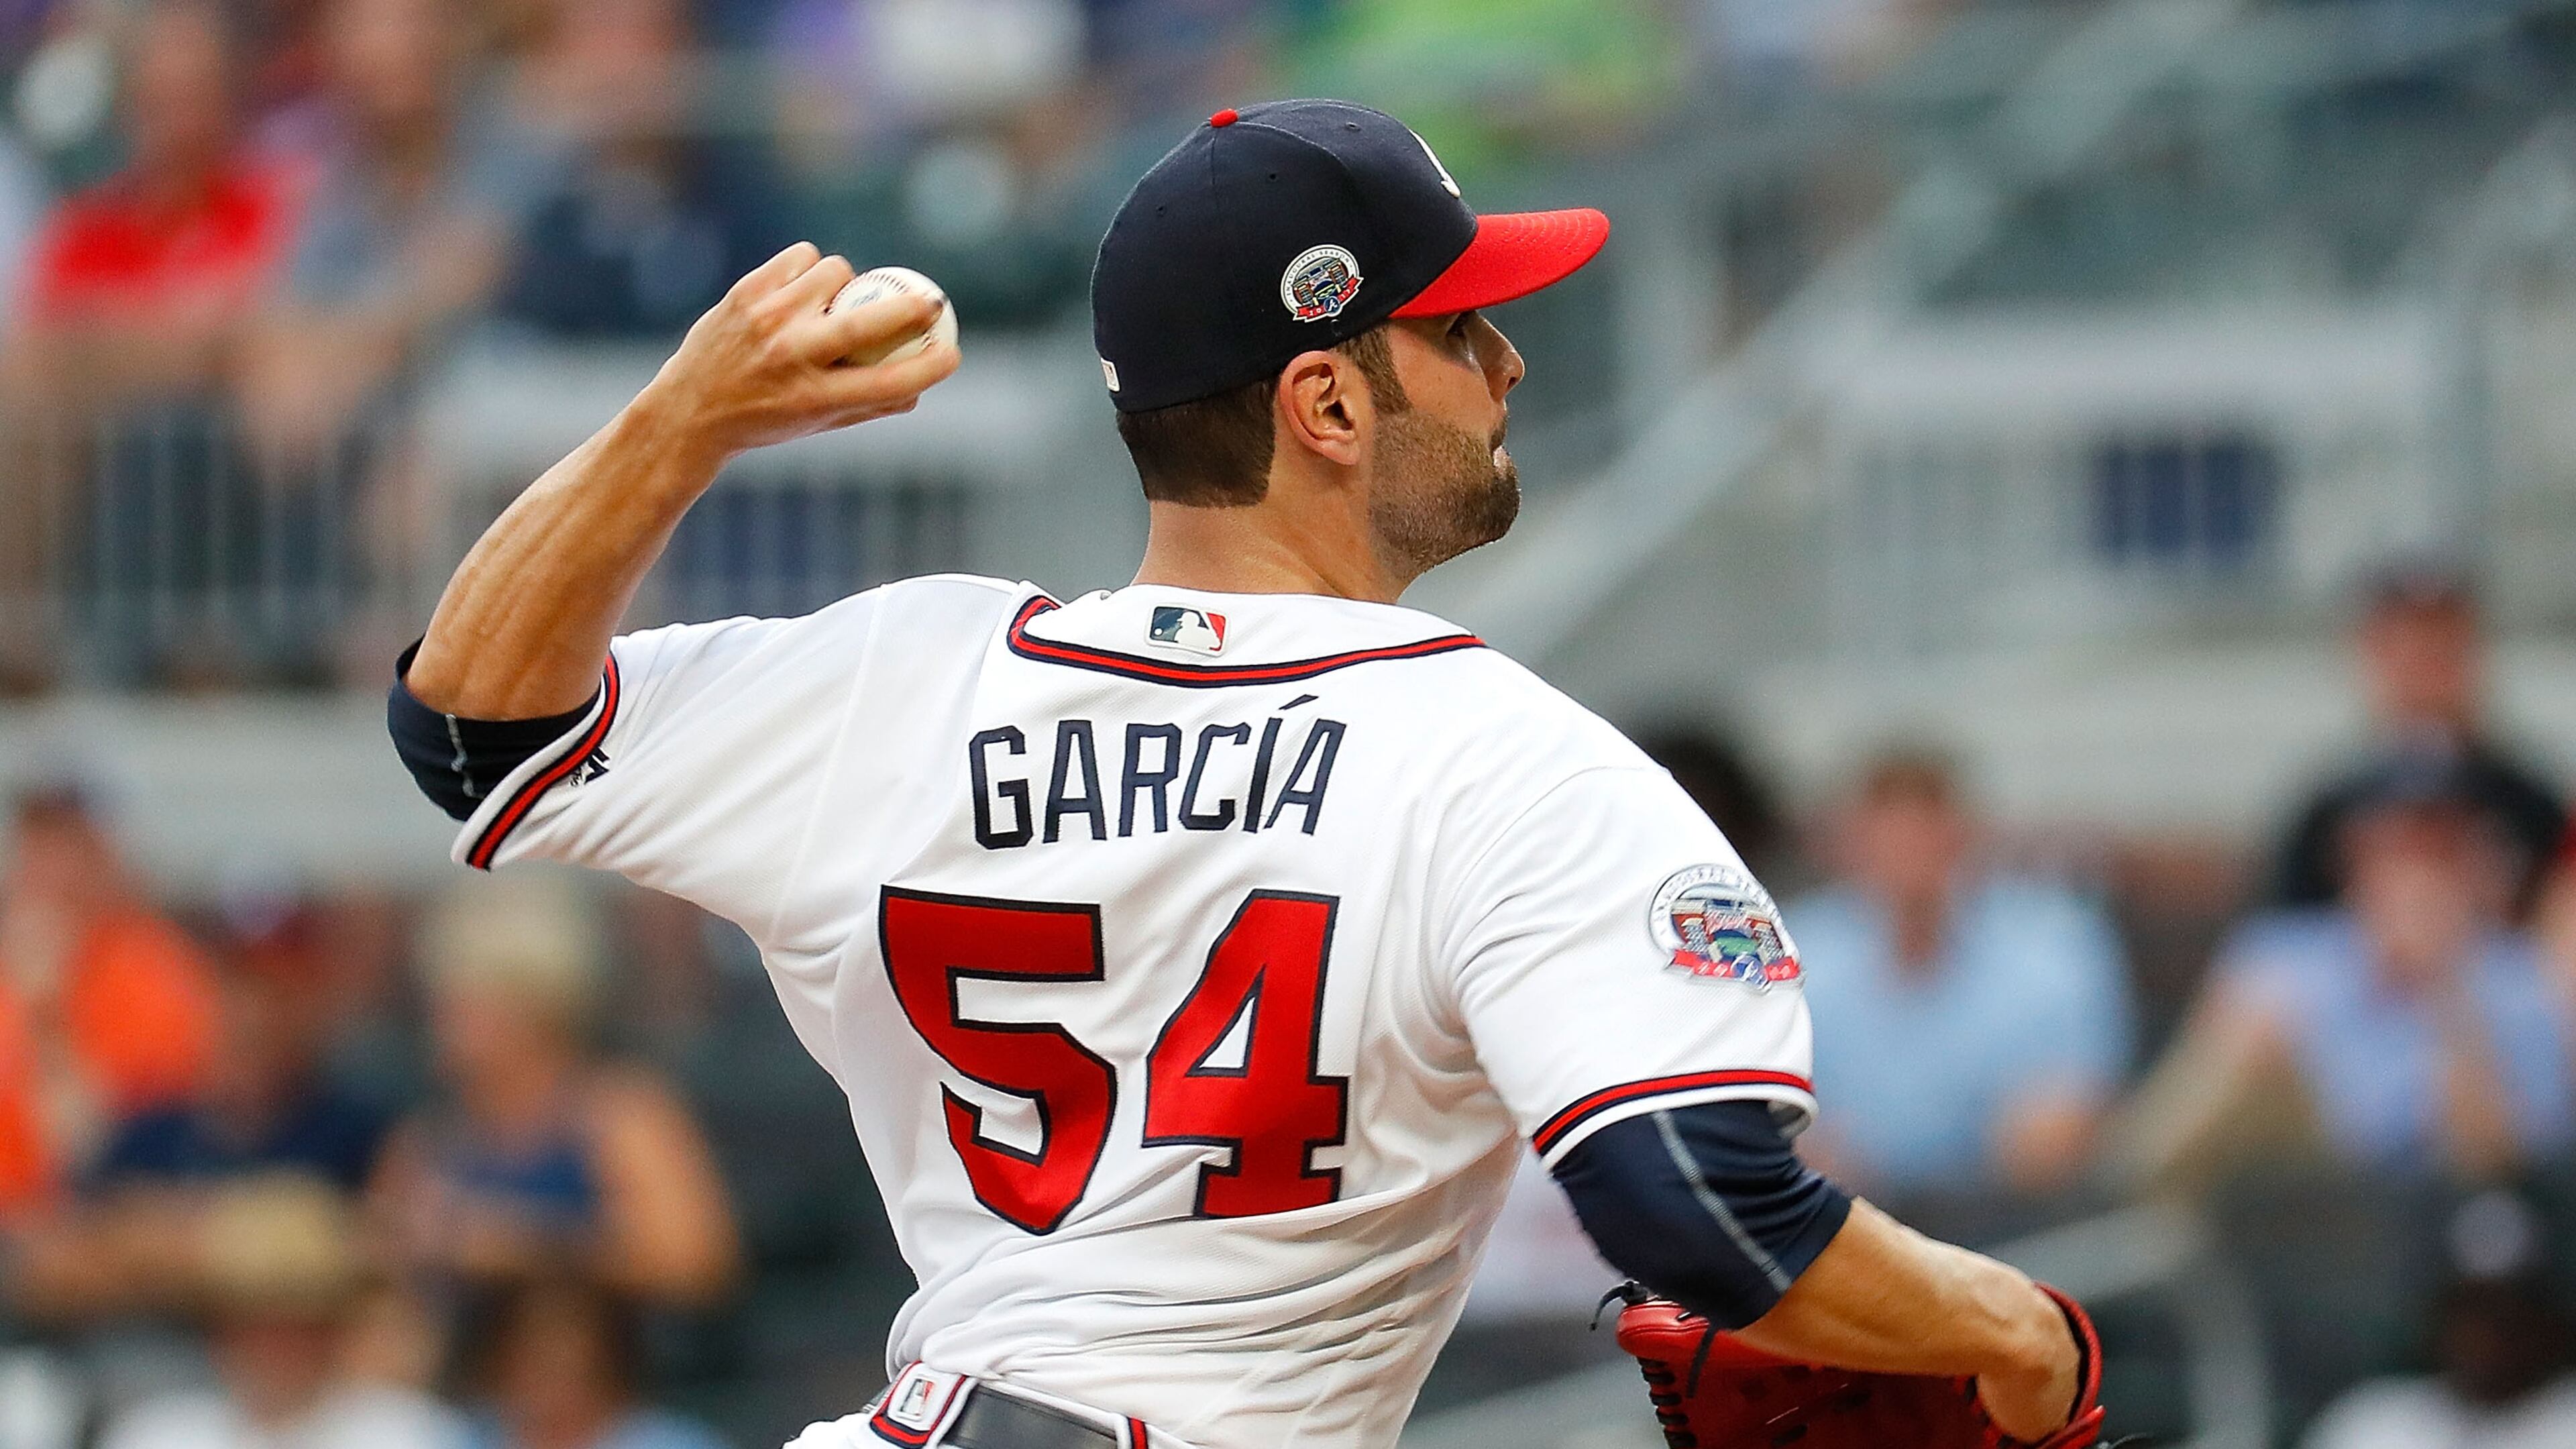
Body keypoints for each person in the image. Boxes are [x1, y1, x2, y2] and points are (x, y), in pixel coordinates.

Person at [388, 100, 2101, 1448]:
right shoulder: (1509, 762)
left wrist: (677, 422)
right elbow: (1700, 1214)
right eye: (1458, 326)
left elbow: (473, 732)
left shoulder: (906, 679)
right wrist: (2026, 1331)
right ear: (1325, 405)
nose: (1507, 361)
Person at [2116, 751, 2575, 1191]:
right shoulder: (2286, 949)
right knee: (2244, 1056)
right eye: (2395, 848)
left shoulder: (2521, 978)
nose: (2415, 872)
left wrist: (2448, 988)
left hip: (2423, 1208)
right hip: (2284, 1181)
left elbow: (2500, 1165)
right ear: (2353, 858)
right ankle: (2117, 1203)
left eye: (2440, 851)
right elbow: (2194, 1096)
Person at [368, 873, 738, 1310]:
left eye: (464, 1006)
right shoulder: (428, 1139)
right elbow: (381, 1260)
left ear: (535, 1007)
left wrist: (521, 1249)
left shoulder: (620, 1113)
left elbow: (695, 1259)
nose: (442, 1025)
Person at [1790, 748, 2133, 1200]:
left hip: (2013, 1219)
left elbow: (2065, 1121)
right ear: (1846, 845)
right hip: (1841, 1226)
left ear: (1967, 835)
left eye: (1926, 832)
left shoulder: (2056, 947)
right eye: (1889, 836)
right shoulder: (1788, 956)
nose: (1909, 852)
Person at [2272, 560, 2563, 916]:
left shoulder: (2531, 809)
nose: (2426, 669)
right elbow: (2279, 946)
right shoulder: (2325, 817)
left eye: (2443, 647)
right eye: (2407, 650)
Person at [97, 1174, 466, 1449]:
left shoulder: (408, 1432)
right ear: (219, 1329)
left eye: (299, 1322)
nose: (275, 1344)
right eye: (253, 1320)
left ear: (335, 1329)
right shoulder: (154, 1434)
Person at [0, 782, 221, 1218]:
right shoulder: (12, 964)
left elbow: (93, 1144)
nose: (49, 869)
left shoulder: (153, 968)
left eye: (66, 847)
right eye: (37, 847)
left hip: (104, 1215)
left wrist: (47, 1014)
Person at [2302, 1189, 2576, 1449]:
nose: (2484, 1337)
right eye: (2468, 1312)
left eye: (2506, 1316)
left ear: (2549, 1322)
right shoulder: (2371, 1423)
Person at [459, 1275, 730, 1449]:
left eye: (566, 1363)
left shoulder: (675, 1443)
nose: (550, 1378)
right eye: (535, 1358)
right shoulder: (463, 1437)